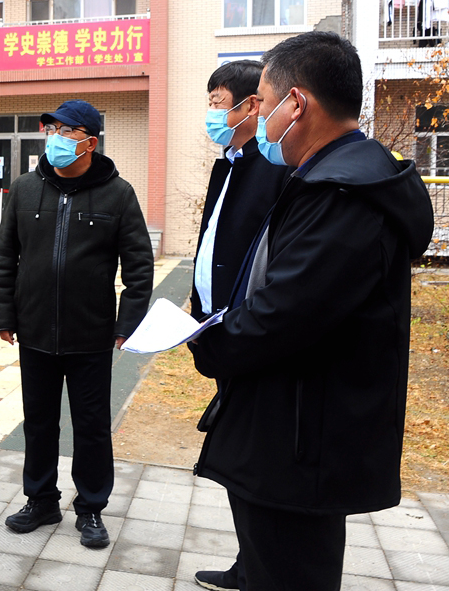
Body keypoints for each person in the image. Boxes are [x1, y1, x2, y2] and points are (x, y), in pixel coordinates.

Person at [191, 31, 434, 590]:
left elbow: (283, 313)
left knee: (290, 571)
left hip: (301, 438)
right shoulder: (333, 175)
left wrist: (208, 342)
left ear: (296, 104)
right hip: (295, 423)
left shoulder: (340, 194)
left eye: (264, 102)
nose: (260, 119)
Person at [0, 99, 153, 549]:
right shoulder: (25, 189)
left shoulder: (118, 194)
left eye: (66, 132)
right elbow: (4, 258)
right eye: (52, 131)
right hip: (35, 331)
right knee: (39, 423)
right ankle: (41, 500)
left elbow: (139, 266)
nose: (55, 139)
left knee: (92, 425)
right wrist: (4, 315)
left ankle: (91, 507)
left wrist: (127, 323)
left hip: (91, 334)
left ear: (90, 143)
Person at [190, 61, 292, 591]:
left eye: (218, 102)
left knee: (256, 462)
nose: (211, 113)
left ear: (253, 106)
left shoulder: (275, 170)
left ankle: (260, 569)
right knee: (240, 461)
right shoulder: (227, 164)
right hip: (217, 330)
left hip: (249, 335)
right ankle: (248, 562)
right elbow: (214, 239)